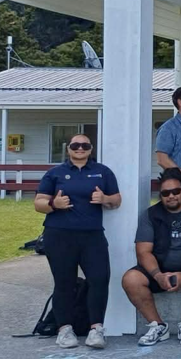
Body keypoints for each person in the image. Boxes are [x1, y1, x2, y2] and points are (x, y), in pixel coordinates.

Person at [33, 134, 121, 349]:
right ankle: (64, 329)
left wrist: (105, 199)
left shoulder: (103, 171)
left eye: (85, 145)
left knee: (99, 279)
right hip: (59, 235)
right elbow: (38, 203)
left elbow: (116, 200)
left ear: (91, 149)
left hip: (92, 236)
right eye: (75, 145)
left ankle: (96, 330)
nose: (80, 148)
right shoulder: (55, 173)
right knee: (64, 283)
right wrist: (55, 203)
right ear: (68, 149)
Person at [122, 168, 181, 347]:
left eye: (176, 191)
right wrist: (158, 276)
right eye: (166, 193)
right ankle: (157, 326)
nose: (171, 196)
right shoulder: (150, 215)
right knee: (130, 279)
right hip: (160, 268)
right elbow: (143, 251)